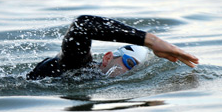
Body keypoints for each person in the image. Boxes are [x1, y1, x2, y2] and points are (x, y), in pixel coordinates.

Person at [26, 15, 199, 80]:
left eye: (136, 69)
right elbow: (82, 25)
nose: (130, 72)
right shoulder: (78, 65)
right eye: (130, 63)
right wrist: (151, 41)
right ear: (108, 57)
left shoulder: (92, 81)